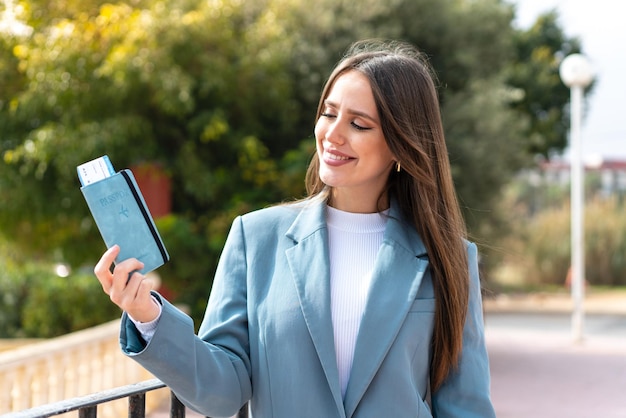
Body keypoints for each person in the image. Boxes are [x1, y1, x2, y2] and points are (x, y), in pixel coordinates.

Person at [94, 39, 496, 418]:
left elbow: (465, 405)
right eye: (328, 112)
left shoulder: (450, 258)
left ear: (400, 146)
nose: (332, 134)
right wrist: (147, 315)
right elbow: (221, 393)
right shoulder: (256, 238)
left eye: (359, 124)